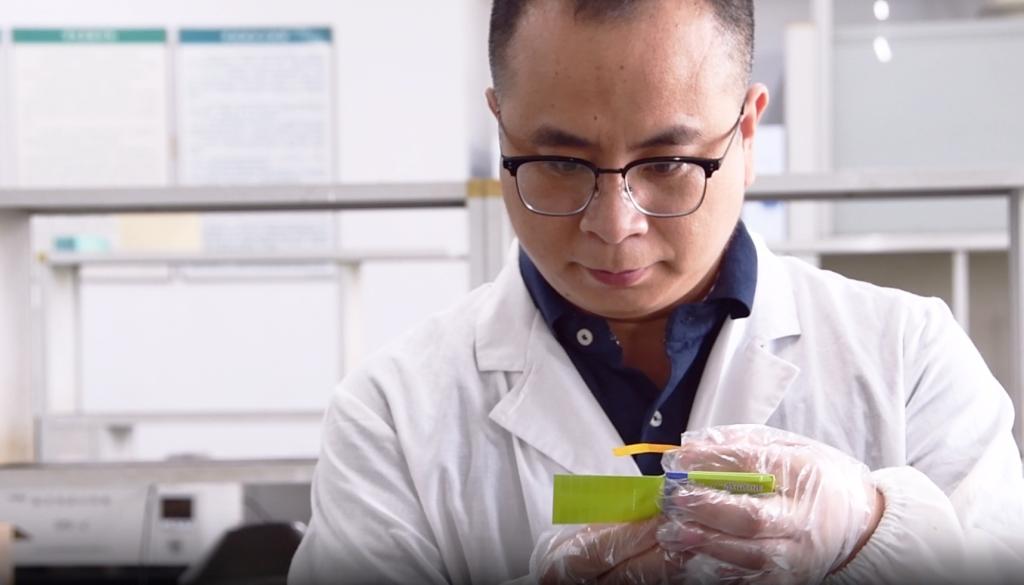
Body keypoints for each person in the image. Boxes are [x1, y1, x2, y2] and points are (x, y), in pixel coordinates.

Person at [288, 1, 1024, 583]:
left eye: (668, 163)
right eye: (560, 163)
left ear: (747, 134)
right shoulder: (392, 417)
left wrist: (874, 533)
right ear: (501, 129)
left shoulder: (908, 359)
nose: (615, 227)